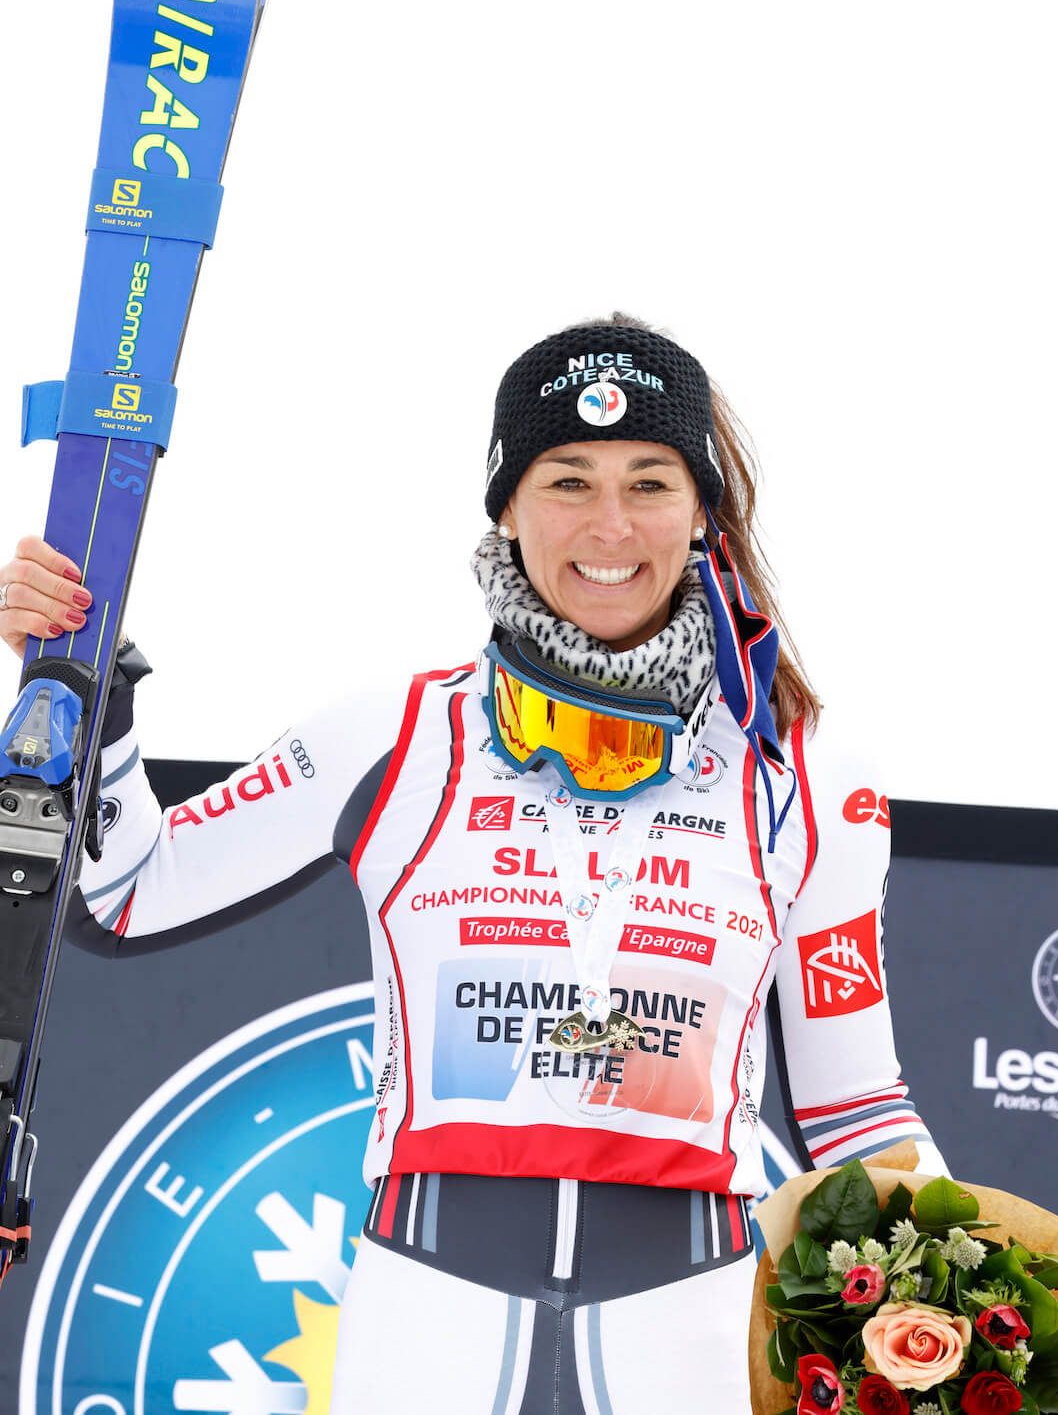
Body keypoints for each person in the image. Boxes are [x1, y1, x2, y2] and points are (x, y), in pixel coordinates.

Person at [1, 316, 945, 1413]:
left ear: (703, 517)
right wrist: (89, 708)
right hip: (431, 1311)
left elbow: (857, 1109)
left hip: (689, 1319)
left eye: (650, 482)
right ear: (506, 502)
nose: (609, 523)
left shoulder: (806, 769)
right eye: (567, 478)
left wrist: (970, 1296)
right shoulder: (397, 733)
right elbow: (125, 894)